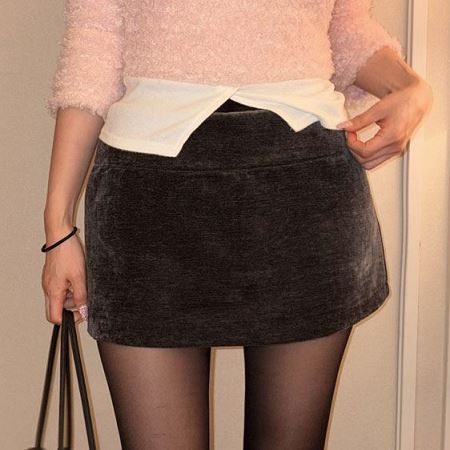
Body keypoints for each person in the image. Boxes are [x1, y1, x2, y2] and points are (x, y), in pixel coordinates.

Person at [41, 1, 433, 449]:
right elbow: (94, 38)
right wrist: (58, 228)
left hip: (304, 197)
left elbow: (343, 24)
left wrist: (412, 89)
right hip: (150, 208)